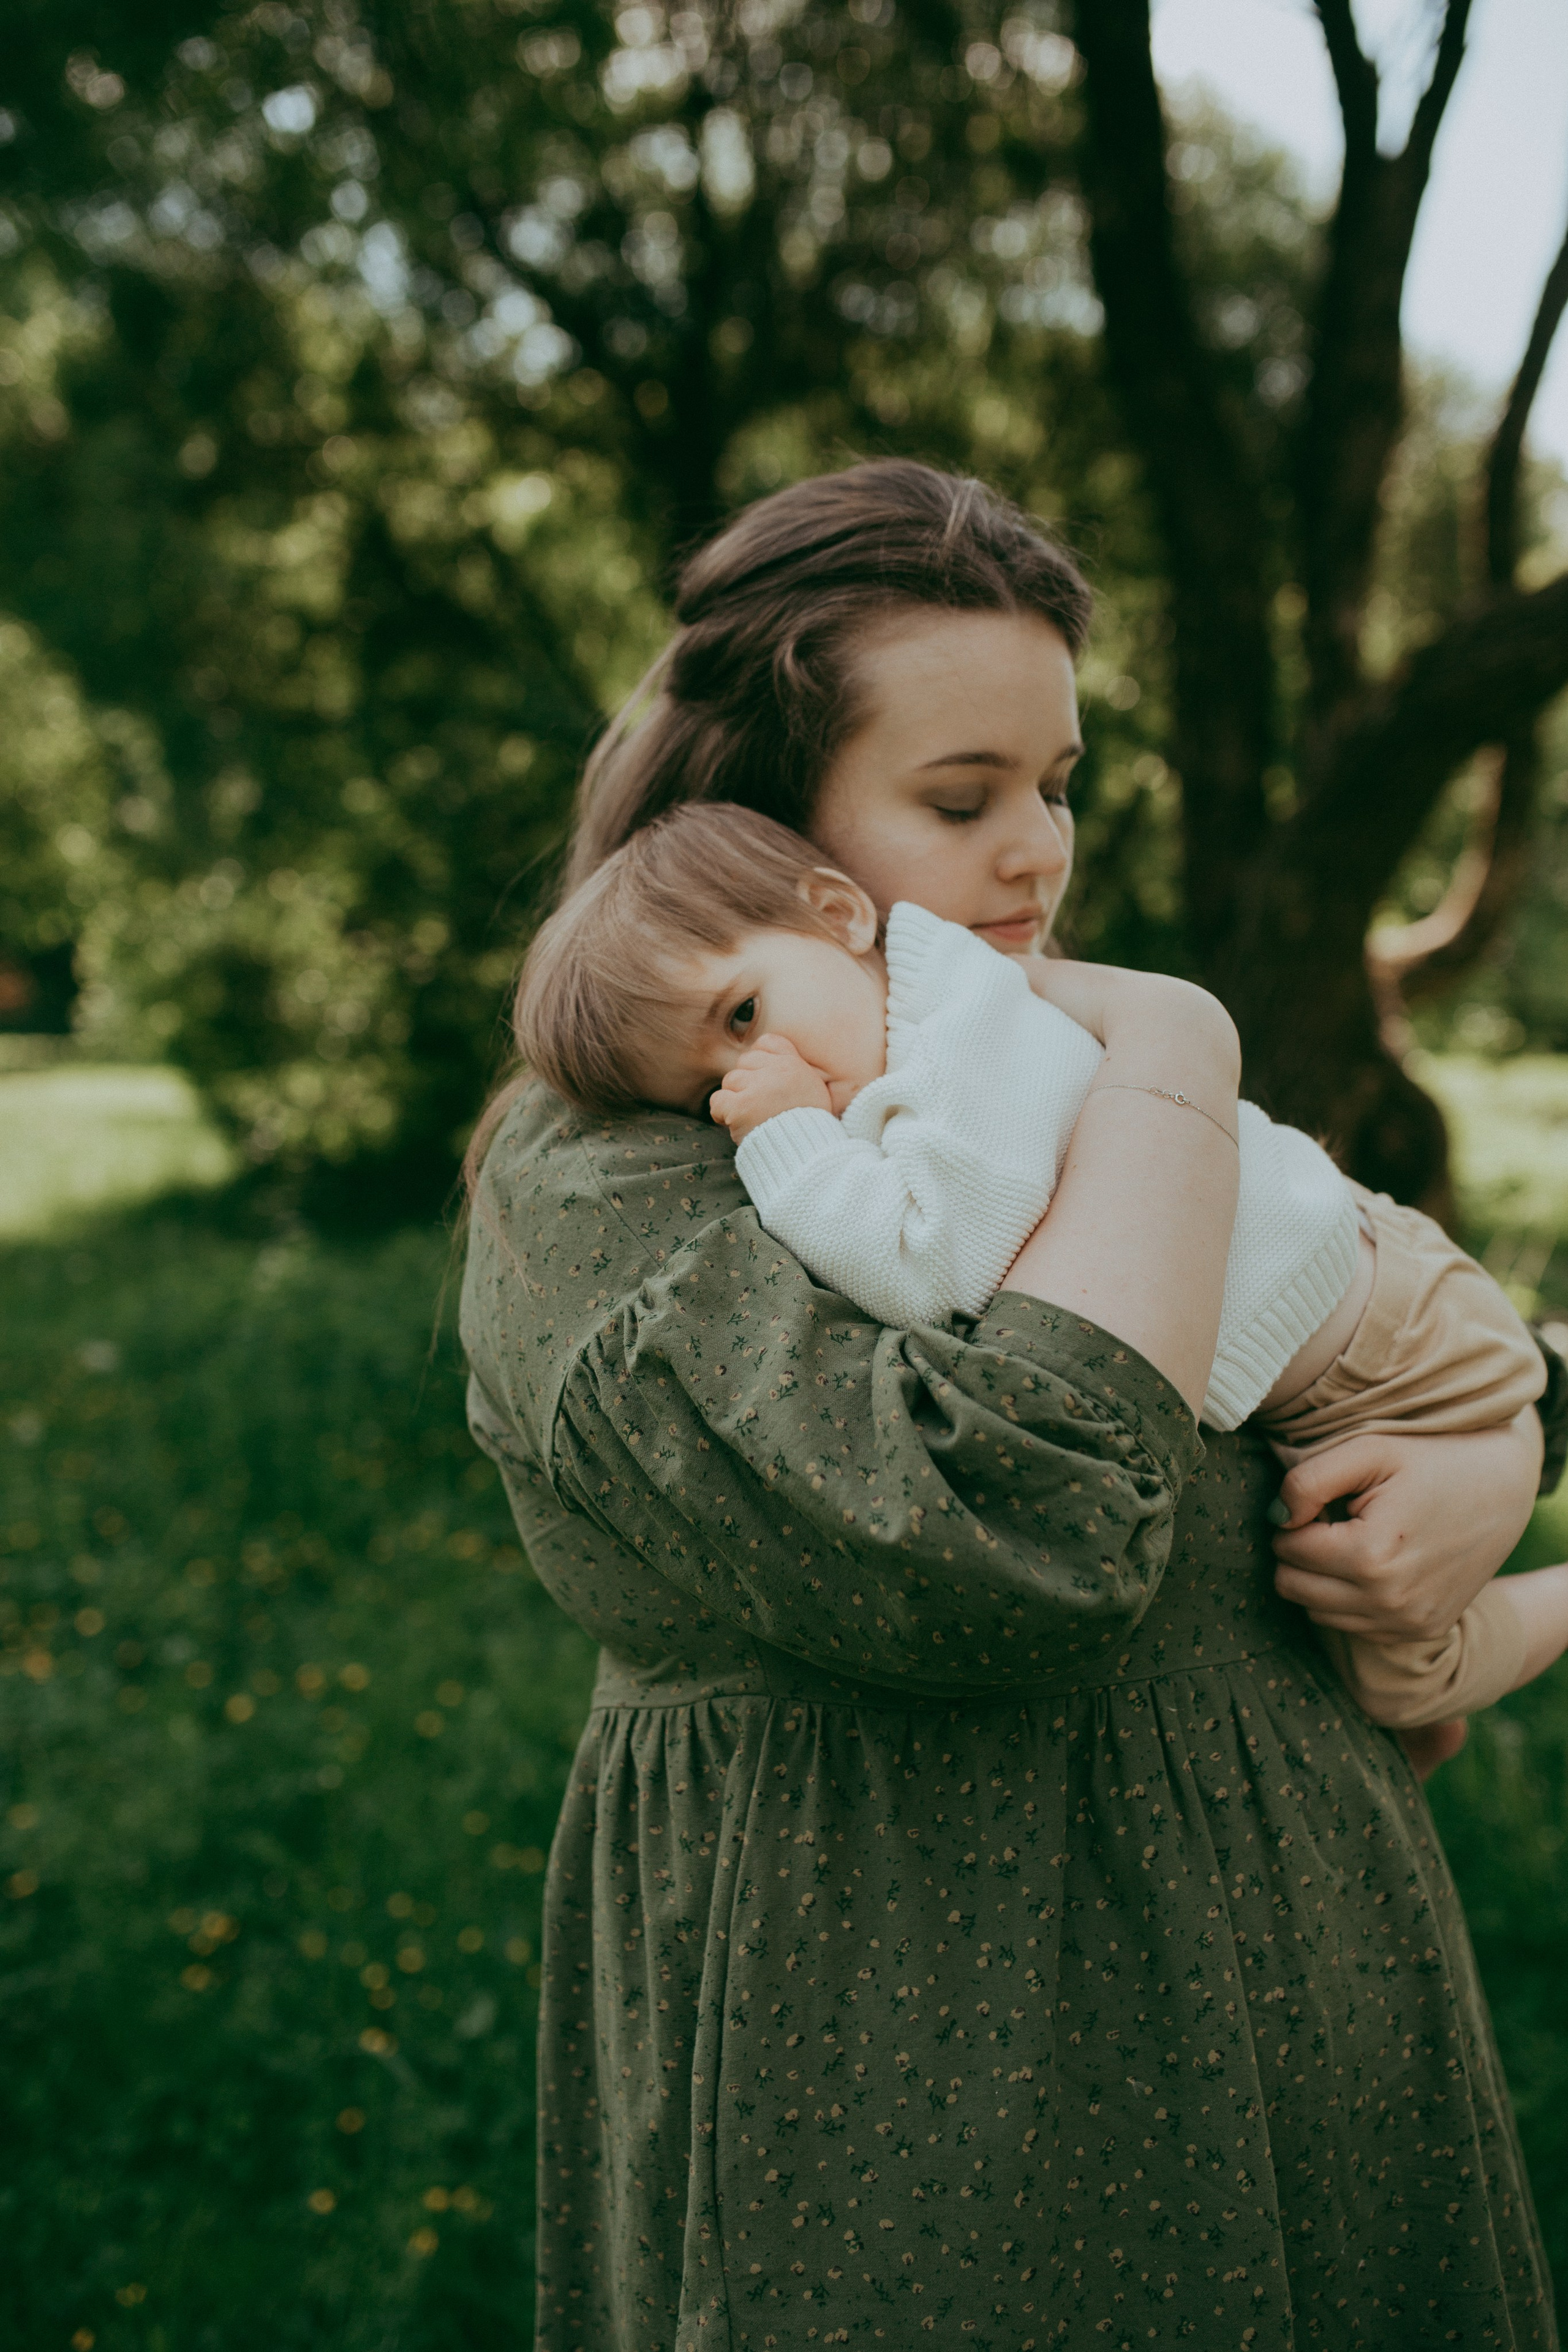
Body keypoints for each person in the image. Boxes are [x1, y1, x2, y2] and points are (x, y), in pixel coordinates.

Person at [461, 460, 1566, 2348]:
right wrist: (1179, 1037)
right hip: (922, 2061)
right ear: (761, 829)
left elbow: (1366, 1308)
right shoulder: (608, 1181)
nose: (1037, 853)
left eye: (1057, 786)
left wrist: (1495, 1465)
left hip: (1316, 1988)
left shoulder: (1028, 1066)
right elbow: (1016, 1534)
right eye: (960, 801)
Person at [507, 796, 1568, 1736]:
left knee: (1405, 1686)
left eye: (744, 1017)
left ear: (839, 915)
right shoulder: (924, 1018)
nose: (752, 1080)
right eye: (707, 1098)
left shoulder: (961, 1041)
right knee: (1380, 1659)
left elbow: (933, 1270)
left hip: (1385, 1348)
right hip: (1358, 1310)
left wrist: (787, 1146)